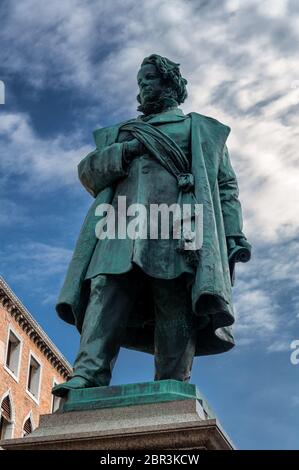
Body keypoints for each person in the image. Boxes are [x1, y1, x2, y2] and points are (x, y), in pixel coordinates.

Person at [52, 54, 251, 397]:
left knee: (174, 298)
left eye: (147, 80)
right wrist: (126, 151)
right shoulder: (122, 133)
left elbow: (225, 186)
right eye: (140, 82)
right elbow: (89, 173)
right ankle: (88, 374)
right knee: (105, 290)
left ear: (169, 84)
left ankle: (172, 382)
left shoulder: (200, 129)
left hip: (178, 225)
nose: (141, 88)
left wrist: (233, 234)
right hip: (120, 226)